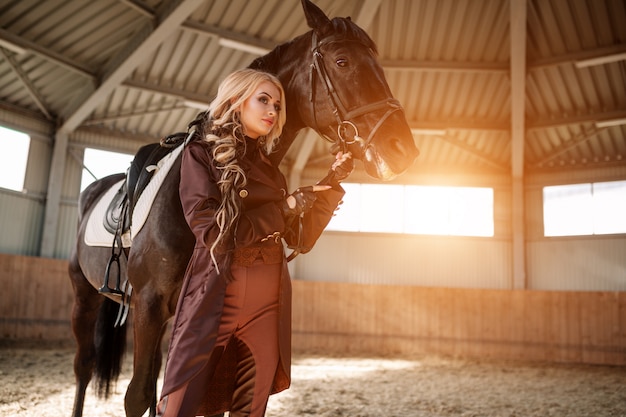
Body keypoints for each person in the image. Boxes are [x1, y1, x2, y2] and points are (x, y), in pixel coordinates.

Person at [156, 68, 353, 417]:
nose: (272, 111)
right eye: (263, 100)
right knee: (177, 407)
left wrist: (331, 183)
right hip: (217, 293)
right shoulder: (201, 154)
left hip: (268, 303)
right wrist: (288, 205)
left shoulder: (271, 169)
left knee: (251, 408)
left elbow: (298, 238)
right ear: (236, 100)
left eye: (276, 104)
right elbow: (215, 233)